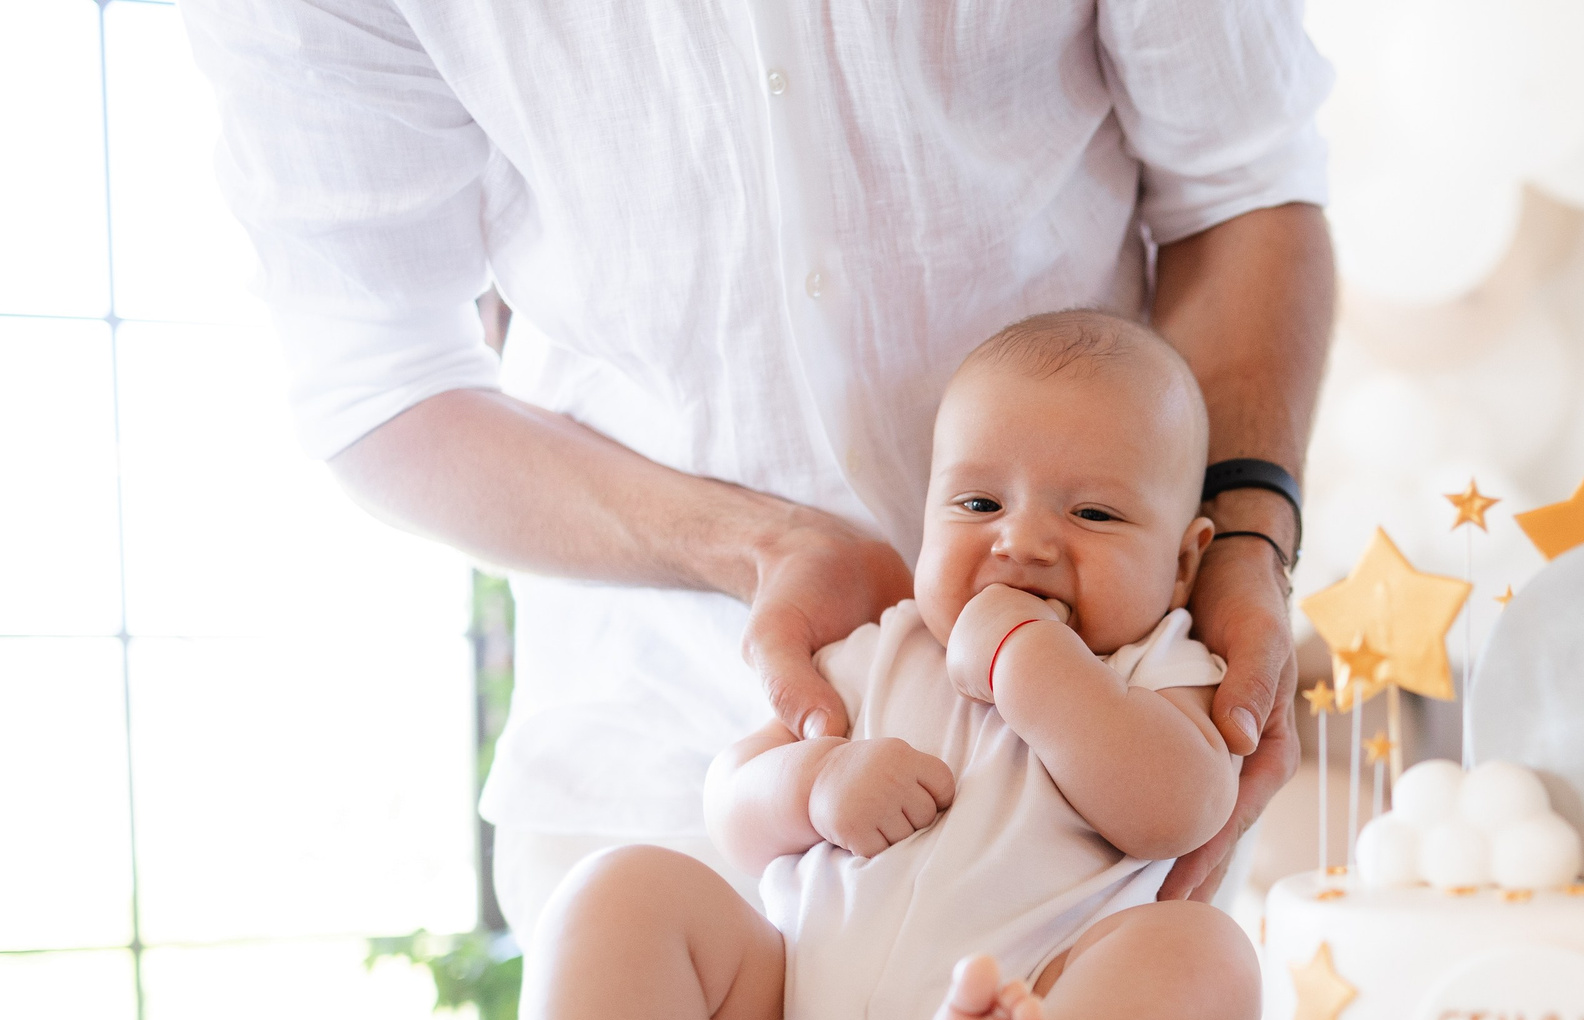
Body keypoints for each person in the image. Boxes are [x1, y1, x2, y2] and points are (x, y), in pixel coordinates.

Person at [181, 0, 1334, 932]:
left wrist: (1246, 541)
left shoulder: (1143, 691)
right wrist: (759, 557)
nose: (1016, 538)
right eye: (979, 503)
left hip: (1083, 851)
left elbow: (1240, 190)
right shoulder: (815, 710)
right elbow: (381, 380)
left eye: (1074, 513)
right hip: (660, 734)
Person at [515, 313, 1260, 1020]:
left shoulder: (1156, 674)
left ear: (1183, 562)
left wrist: (1027, 664)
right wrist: (812, 786)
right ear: (925, 518)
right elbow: (733, 801)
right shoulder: (881, 649)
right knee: (619, 893)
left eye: (1092, 515)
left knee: (1205, 960)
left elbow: (1184, 807)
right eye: (979, 501)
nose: (1024, 540)